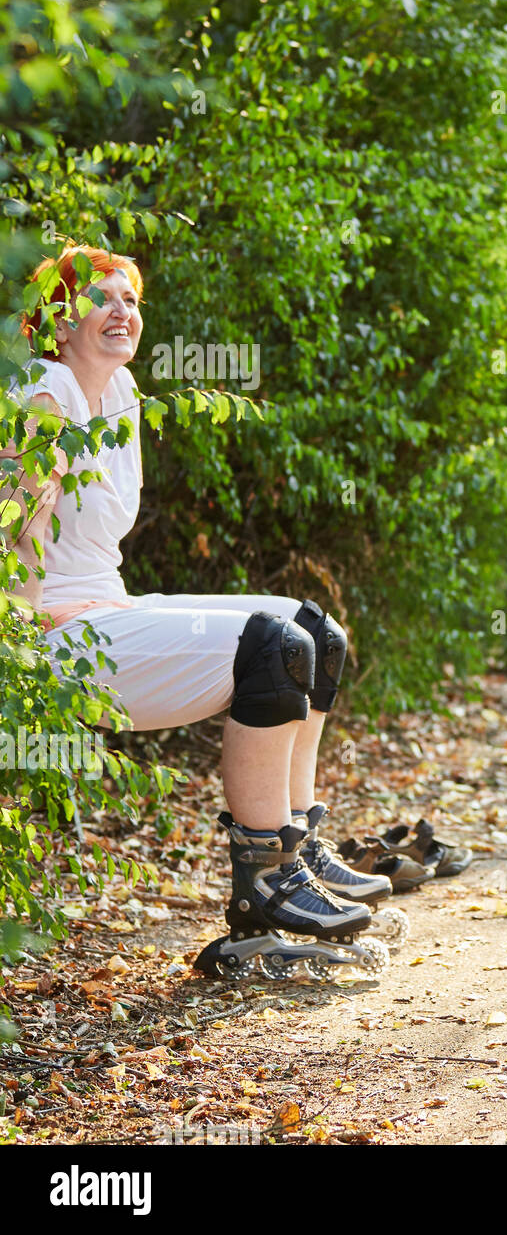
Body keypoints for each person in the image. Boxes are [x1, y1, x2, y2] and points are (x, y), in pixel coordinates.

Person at [3, 244, 401, 980]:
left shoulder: (118, 394)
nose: (121, 310)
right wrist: (16, 658)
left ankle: (296, 847)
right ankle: (264, 887)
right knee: (270, 646)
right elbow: (12, 532)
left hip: (107, 606)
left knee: (315, 631)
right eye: (101, 297)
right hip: (58, 638)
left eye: (130, 298)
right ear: (59, 320)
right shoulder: (44, 395)